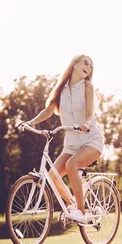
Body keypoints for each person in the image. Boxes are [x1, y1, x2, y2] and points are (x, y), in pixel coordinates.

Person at [24, 54, 105, 224]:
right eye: (86, 63)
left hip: (91, 140)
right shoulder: (61, 90)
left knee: (71, 165)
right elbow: (48, 111)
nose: (89, 67)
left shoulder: (87, 87)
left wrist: (86, 124)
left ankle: (81, 213)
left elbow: (90, 114)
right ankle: (74, 205)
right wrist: (30, 123)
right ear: (74, 64)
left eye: (91, 66)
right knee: (53, 177)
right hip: (72, 144)